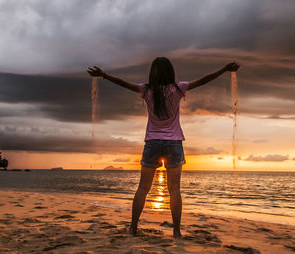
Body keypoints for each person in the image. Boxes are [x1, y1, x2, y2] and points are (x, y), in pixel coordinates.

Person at [87, 58, 240, 238]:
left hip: (152, 142)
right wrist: (224, 69)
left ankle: (133, 228)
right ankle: (176, 232)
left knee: (143, 188)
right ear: (171, 72)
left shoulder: (146, 89)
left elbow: (123, 83)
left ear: (152, 73)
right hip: (174, 143)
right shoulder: (178, 88)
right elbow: (203, 80)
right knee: (174, 189)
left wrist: (103, 75)